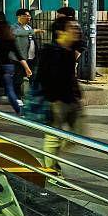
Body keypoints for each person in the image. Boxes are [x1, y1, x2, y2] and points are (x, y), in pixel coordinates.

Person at [38, 16, 85, 172]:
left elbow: (70, 76)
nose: (76, 30)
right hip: (55, 101)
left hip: (71, 99)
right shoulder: (49, 51)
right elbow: (42, 78)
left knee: (79, 133)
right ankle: (50, 170)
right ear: (60, 32)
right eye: (72, 27)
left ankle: (49, 157)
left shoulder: (70, 51)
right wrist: (52, 99)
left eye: (76, 27)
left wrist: (77, 93)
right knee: (53, 138)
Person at [0, 16, 32, 113]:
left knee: (7, 90)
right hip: (9, 66)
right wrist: (27, 68)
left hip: (0, 67)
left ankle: (18, 110)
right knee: (1, 89)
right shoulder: (10, 40)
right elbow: (19, 55)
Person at [11, 9, 39, 98]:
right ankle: (17, 97)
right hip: (19, 59)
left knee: (33, 77)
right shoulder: (14, 27)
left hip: (31, 57)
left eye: (29, 16)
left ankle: (31, 97)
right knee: (18, 79)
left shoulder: (29, 27)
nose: (29, 18)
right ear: (19, 17)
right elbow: (18, 33)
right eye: (26, 16)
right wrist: (34, 31)